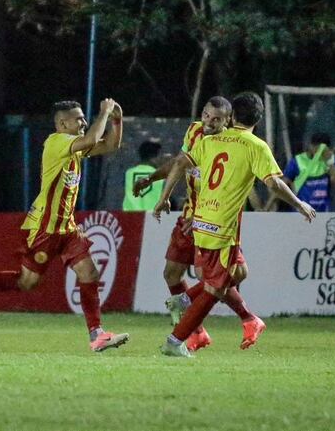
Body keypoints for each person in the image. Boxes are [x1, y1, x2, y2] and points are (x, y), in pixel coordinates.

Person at [0, 99, 129, 352]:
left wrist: (116, 120)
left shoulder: (74, 147)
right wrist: (103, 113)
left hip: (67, 228)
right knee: (27, 282)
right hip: (45, 228)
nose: (83, 122)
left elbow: (111, 144)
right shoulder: (57, 142)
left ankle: (97, 335)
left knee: (89, 274)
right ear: (62, 123)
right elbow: (92, 139)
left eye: (83, 118)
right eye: (78, 119)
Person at [154, 92, 315, 357]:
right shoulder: (255, 146)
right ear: (258, 119)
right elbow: (274, 183)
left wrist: (163, 198)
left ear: (232, 117)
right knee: (214, 288)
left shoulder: (210, 141)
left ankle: (191, 304)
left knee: (236, 273)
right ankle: (175, 339)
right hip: (222, 229)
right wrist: (299, 204)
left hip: (199, 222)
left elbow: (181, 162)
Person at [133, 96, 261, 352]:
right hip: (190, 215)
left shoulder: (232, 144)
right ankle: (198, 332)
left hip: (213, 219)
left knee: (224, 277)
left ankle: (247, 318)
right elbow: (179, 163)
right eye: (206, 115)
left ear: (229, 121)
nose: (208, 123)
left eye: (216, 119)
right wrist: (152, 179)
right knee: (171, 272)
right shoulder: (194, 131)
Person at [275, 132, 335, 212]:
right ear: (310, 146)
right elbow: (281, 185)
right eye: (315, 147)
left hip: (323, 211)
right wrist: (269, 206)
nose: (317, 151)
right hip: (300, 211)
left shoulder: (330, 160)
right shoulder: (298, 161)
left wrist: (328, 162)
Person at [122, 139, 164, 211]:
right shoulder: (161, 176)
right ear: (155, 157)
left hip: (128, 218)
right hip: (152, 218)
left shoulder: (128, 173)